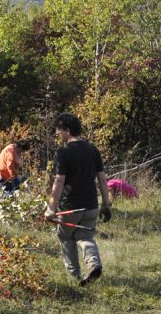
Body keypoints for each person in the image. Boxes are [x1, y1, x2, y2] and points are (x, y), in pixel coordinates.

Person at [44, 113, 112, 286]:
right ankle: (94, 264)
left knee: (66, 237)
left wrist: (51, 208)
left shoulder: (64, 151)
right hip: (91, 205)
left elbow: (59, 181)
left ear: (67, 130)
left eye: (58, 131)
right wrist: (106, 204)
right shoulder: (92, 149)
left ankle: (74, 276)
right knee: (86, 236)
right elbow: (102, 179)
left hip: (70, 207)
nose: (58, 134)